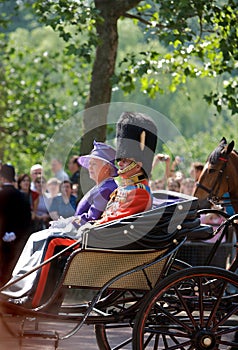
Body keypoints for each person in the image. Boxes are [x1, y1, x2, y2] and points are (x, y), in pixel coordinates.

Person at [2, 112, 157, 308]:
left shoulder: (139, 191)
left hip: (105, 242)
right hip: (102, 237)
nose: (120, 164)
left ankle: (35, 298)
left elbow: (117, 222)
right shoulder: (128, 189)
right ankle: (23, 289)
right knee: (46, 237)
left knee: (52, 240)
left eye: (125, 161)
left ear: (138, 165)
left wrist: (91, 225)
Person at [1, 141, 118, 301]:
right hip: (84, 233)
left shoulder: (106, 188)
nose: (89, 167)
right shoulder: (102, 186)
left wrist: (68, 223)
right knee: (37, 237)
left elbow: (91, 219)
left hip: (87, 237)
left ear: (105, 167)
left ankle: (30, 295)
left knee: (47, 239)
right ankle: (20, 288)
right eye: (89, 163)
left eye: (93, 163)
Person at [0, 164, 32, 286]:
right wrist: (15, 234)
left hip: (1, 240)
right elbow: (27, 220)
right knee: (11, 268)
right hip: (17, 240)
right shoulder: (22, 197)